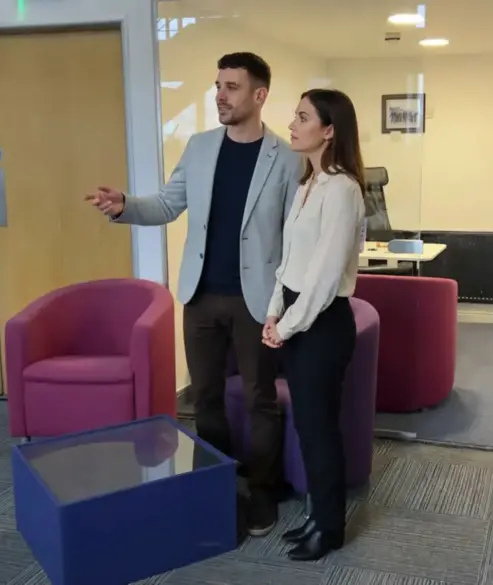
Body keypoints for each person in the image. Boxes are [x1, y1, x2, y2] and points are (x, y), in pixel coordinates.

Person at [86, 52, 301, 537]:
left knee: (259, 399)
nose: (220, 95)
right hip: (200, 295)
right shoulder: (200, 147)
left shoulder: (287, 160)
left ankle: (262, 491)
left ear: (260, 95)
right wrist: (125, 206)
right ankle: (217, 485)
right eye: (218, 85)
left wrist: (285, 305)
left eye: (232, 87)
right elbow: (168, 204)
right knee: (205, 398)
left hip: (256, 300)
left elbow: (293, 237)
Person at [261, 89, 366, 561]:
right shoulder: (310, 184)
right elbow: (289, 264)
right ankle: (317, 516)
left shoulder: (342, 190)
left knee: (320, 430)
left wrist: (286, 327)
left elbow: (323, 279)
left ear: (329, 130)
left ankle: (329, 528)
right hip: (297, 317)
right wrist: (273, 311)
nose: (292, 124)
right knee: (307, 426)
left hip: (322, 324)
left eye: (302, 117)